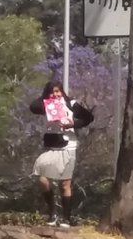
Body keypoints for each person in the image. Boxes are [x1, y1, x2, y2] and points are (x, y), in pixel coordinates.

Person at [29, 80, 93, 227]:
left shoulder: (71, 103)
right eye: (52, 91)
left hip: (68, 147)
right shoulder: (46, 105)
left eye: (57, 91)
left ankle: (66, 218)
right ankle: (52, 213)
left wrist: (73, 123)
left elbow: (88, 118)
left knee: (65, 184)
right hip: (51, 147)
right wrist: (47, 99)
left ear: (62, 91)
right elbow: (32, 107)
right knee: (42, 178)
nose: (55, 94)